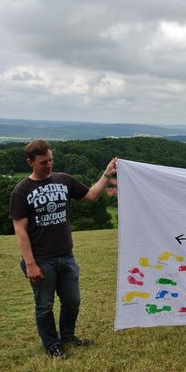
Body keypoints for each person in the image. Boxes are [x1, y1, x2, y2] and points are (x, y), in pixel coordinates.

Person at [9, 140, 117, 359]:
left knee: (72, 301)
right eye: (43, 162)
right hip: (41, 259)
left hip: (66, 255)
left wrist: (106, 174)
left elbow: (91, 196)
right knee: (44, 306)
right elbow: (20, 230)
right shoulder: (22, 190)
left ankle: (68, 338)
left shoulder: (64, 180)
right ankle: (52, 345)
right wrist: (30, 264)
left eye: (51, 160)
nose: (49, 165)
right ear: (30, 162)